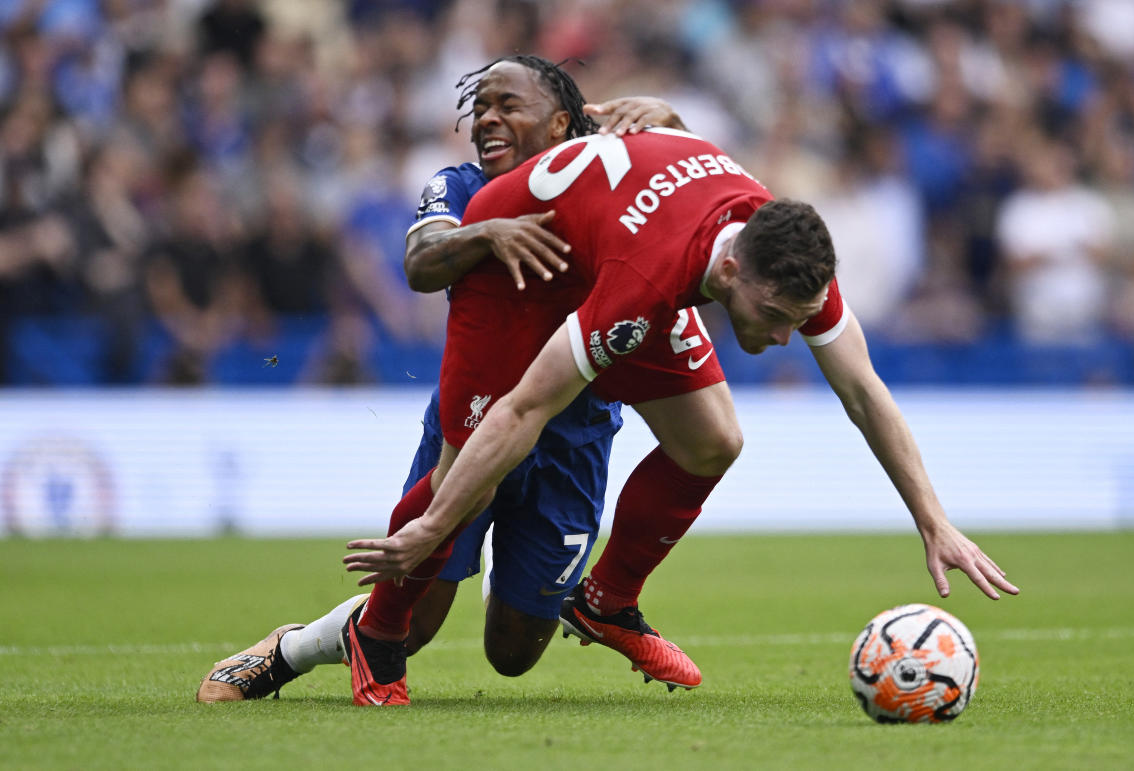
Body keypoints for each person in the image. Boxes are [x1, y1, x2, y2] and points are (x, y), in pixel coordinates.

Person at [341, 128, 1020, 702]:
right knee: (472, 475)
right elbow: (525, 409)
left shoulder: (789, 253)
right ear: (728, 273)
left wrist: (933, 521)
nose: (786, 337)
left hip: (615, 245)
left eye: (799, 319)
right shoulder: (646, 279)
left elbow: (865, 391)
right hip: (520, 269)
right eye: (777, 318)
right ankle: (379, 635)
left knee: (714, 439)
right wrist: (432, 523)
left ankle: (605, 601)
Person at [197, 56, 703, 705]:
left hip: (574, 433)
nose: (487, 119)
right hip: (473, 427)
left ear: (559, 122)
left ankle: (519, 577)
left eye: (506, 106)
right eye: (480, 108)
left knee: (514, 653)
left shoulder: (607, 181)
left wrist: (669, 115)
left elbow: (684, 183)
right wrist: (487, 231)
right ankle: (289, 650)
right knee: (411, 627)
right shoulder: (460, 185)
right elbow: (420, 261)